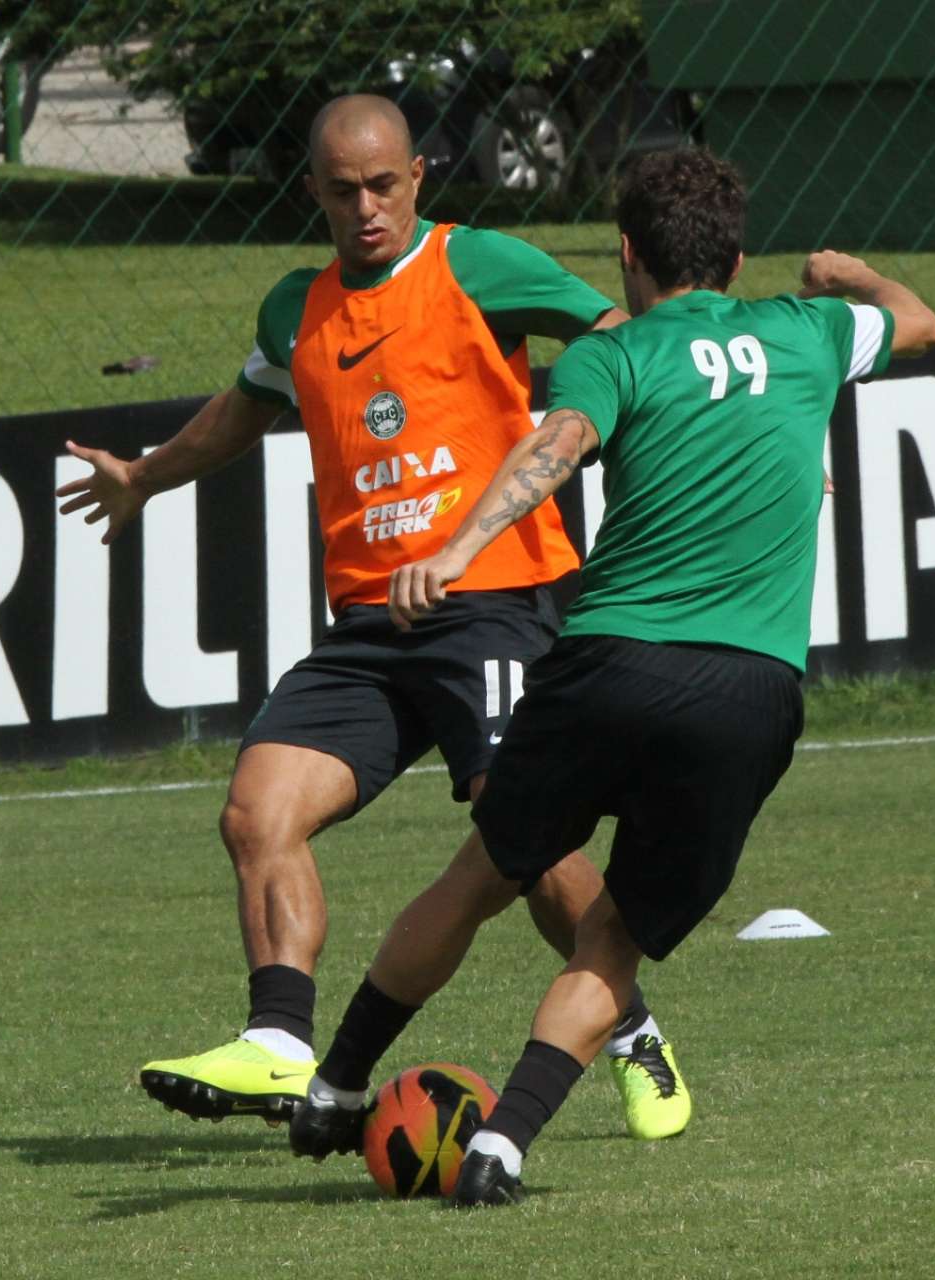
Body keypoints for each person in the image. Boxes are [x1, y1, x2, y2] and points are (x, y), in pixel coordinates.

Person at [287, 146, 935, 1205]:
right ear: (734, 254)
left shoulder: (620, 351)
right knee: (614, 933)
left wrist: (454, 552)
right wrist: (850, 278)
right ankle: (502, 1142)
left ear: (628, 253)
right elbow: (921, 320)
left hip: (607, 665)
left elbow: (556, 442)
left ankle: (335, 1078)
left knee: (480, 876)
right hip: (748, 693)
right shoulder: (809, 332)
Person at [55, 94, 691, 1142]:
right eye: (342, 190)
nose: (365, 208)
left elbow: (624, 334)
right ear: (312, 190)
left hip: (493, 600)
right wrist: (146, 477)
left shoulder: (474, 264)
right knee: (256, 809)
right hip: (367, 628)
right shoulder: (293, 309)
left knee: (519, 838)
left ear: (417, 178)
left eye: (383, 185)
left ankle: (628, 1026)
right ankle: (276, 1041)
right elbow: (244, 407)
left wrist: (700, 432)